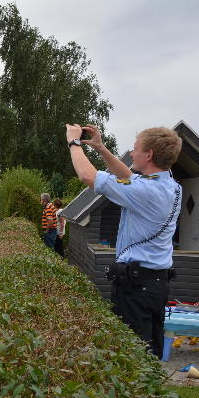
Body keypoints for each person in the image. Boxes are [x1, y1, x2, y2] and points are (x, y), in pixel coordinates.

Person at [66, 123, 182, 359]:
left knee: (133, 356)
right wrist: (101, 149)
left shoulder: (146, 192)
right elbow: (128, 176)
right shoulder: (170, 186)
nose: (131, 153)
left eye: (136, 148)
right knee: (147, 353)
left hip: (136, 288)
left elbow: (87, 175)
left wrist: (73, 142)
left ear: (148, 155)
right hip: (154, 284)